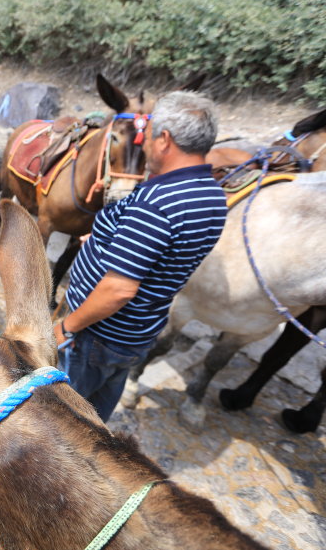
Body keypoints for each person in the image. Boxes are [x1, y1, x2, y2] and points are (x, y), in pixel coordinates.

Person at [53, 91, 228, 422]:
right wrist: (108, 238)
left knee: (59, 419)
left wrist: (66, 327)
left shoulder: (158, 203)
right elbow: (165, 253)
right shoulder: (212, 196)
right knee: (93, 416)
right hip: (136, 334)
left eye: (146, 136)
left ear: (164, 140)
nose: (142, 144)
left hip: (95, 336)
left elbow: (119, 290)